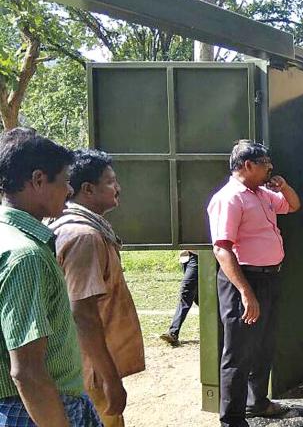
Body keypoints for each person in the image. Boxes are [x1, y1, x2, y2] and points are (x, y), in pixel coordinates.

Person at [0, 128, 101, 426]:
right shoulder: (25, 255)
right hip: (38, 408)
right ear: (38, 180)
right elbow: (27, 371)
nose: (69, 191)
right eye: (65, 180)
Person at [207, 140, 301, 427]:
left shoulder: (262, 193)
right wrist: (246, 292)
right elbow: (222, 248)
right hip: (245, 281)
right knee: (238, 353)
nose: (270, 167)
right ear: (248, 165)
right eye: (265, 163)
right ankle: (232, 420)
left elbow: (294, 205)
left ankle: (257, 402)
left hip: (269, 277)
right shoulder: (229, 198)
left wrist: (282, 186)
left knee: (263, 345)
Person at [49, 149, 145, 427]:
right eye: (111, 182)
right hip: (88, 372)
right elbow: (82, 313)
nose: (118, 188)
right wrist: (110, 379)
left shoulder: (83, 229)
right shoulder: (84, 237)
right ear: (88, 189)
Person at [160, 250, 199, 346]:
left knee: (186, 292)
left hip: (198, 255)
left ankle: (173, 332)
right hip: (186, 257)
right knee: (198, 297)